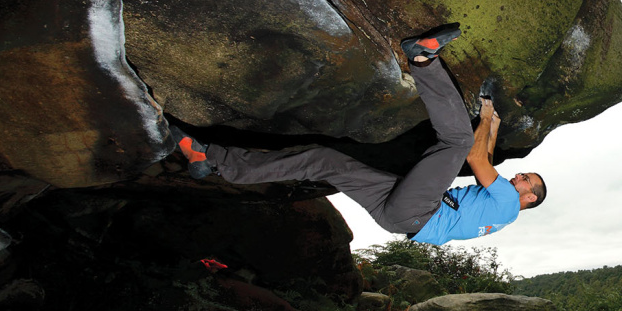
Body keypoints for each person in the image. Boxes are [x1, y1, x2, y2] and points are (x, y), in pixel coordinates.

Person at [168, 24, 545, 245]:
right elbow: (489, 160)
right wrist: (490, 123)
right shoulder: (500, 207)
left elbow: (476, 158)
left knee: (457, 141)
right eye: (523, 174)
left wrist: (487, 117)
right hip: (399, 215)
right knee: (325, 161)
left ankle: (421, 60)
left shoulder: (509, 204)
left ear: (530, 198)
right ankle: (212, 161)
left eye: (526, 179)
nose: (518, 177)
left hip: (418, 213)